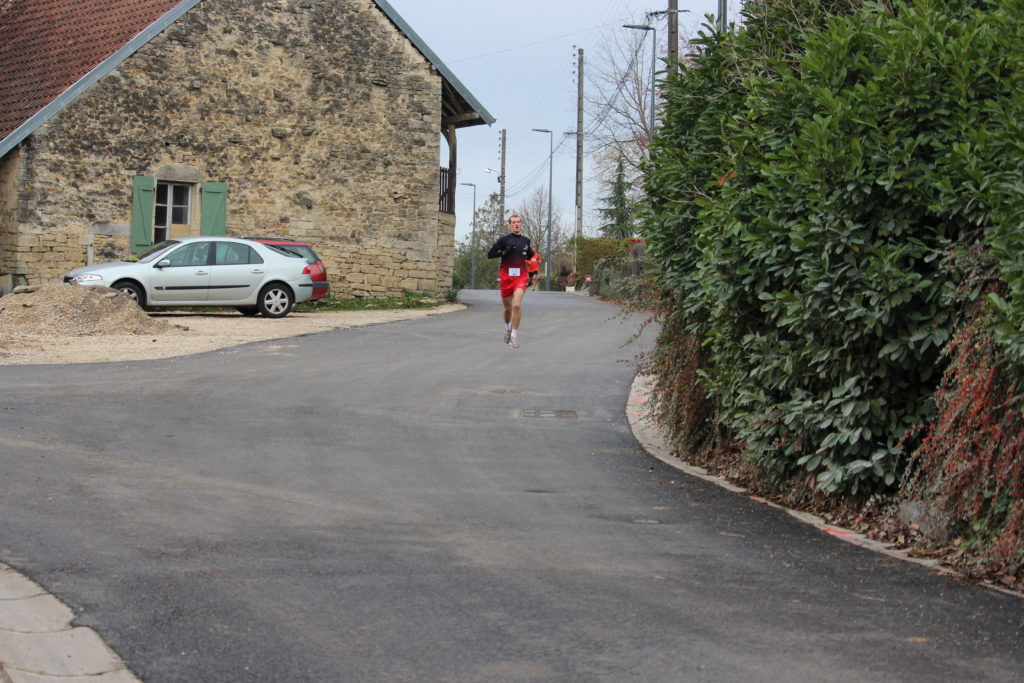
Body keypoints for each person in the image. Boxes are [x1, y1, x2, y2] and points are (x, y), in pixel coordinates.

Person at [487, 214, 533, 349]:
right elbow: (490, 254)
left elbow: (529, 254)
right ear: (510, 225)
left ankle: (514, 335)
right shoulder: (504, 240)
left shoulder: (526, 240)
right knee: (508, 308)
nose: (516, 224)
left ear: (521, 224)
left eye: (518, 222)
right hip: (506, 278)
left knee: (516, 305)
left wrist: (531, 260)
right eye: (513, 222)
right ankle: (508, 328)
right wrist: (503, 253)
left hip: (521, 277)